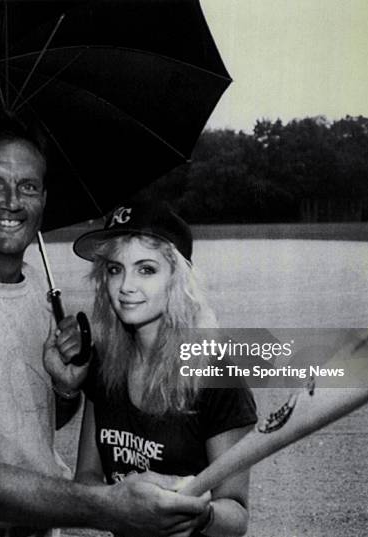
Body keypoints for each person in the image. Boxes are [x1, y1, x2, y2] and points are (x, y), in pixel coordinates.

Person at [0, 120, 211, 537]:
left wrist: (65, 386)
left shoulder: (36, 287)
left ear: (44, 198)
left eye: (28, 186)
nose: (13, 201)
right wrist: (106, 506)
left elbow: (32, 423)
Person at [72, 202, 258, 536]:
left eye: (146, 269)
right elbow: (86, 477)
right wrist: (122, 500)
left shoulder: (215, 372)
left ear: (177, 278)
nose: (126, 285)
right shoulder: (104, 363)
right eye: (115, 269)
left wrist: (196, 513)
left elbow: (236, 515)